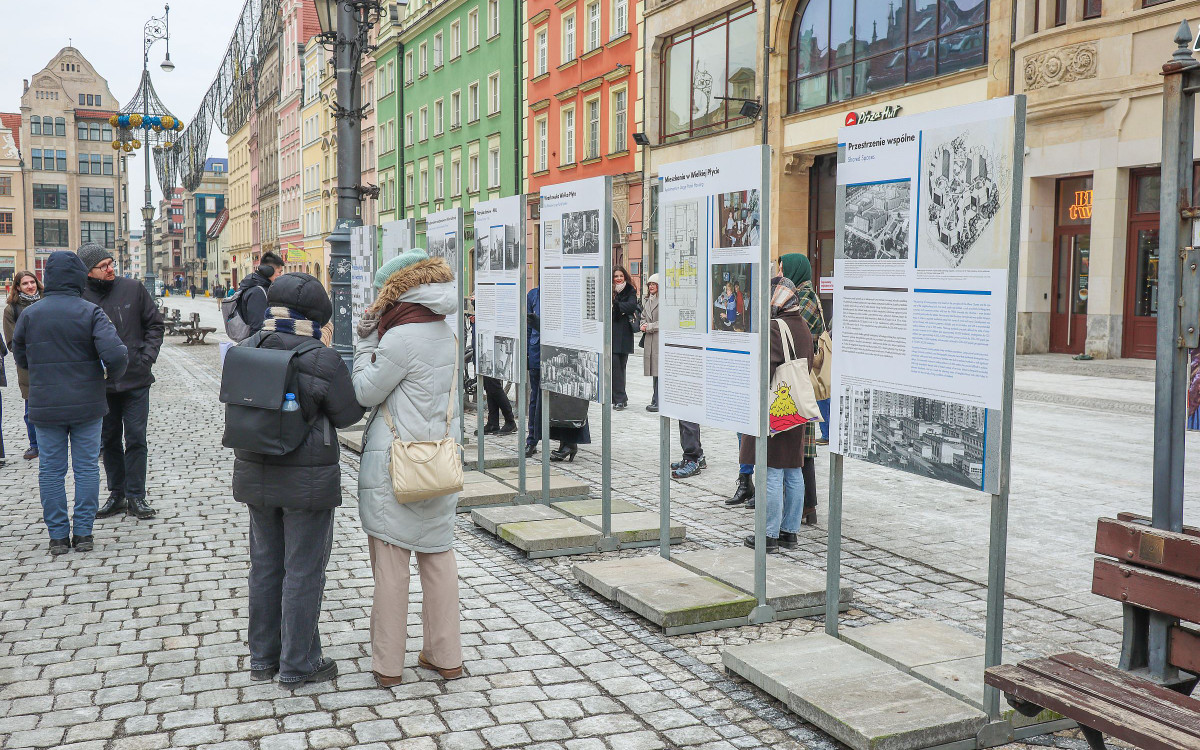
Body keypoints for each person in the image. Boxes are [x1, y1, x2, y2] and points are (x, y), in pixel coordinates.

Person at [229, 272, 364, 688]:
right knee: (304, 570)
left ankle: (262, 659)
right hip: (307, 480)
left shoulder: (246, 349)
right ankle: (299, 663)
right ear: (315, 315)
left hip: (255, 470)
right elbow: (348, 414)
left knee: (265, 566)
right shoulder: (321, 356)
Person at [352, 250, 464, 687]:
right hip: (437, 462)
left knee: (392, 568)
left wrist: (364, 344)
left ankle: (388, 666)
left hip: (395, 467)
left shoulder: (399, 338)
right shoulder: (446, 332)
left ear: (396, 290)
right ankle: (446, 656)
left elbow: (364, 391)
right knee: (438, 561)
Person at [12, 251, 128, 555]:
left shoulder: (30, 314)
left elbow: (21, 356)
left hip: (46, 403)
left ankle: (58, 537)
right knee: (87, 468)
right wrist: (107, 379)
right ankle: (84, 534)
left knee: (50, 470)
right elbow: (116, 354)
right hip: (87, 403)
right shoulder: (89, 312)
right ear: (78, 277)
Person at [80, 243, 166, 521]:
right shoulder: (80, 296)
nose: (110, 269)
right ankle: (117, 494)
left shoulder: (132, 288)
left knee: (136, 438)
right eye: (103, 266)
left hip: (136, 379)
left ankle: (136, 495)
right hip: (101, 384)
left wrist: (146, 358)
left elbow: (155, 325)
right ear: (88, 271)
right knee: (109, 440)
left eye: (111, 263)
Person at [737, 274, 814, 553]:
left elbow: (765, 373)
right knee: (793, 470)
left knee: (770, 471)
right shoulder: (802, 325)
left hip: (774, 407)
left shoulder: (774, 327)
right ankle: (789, 533)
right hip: (795, 406)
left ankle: (768, 535)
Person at [780, 253, 824, 525]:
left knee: (802, 448)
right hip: (797, 375)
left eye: (784, 269)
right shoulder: (801, 294)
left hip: (799, 377)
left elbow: (794, 329)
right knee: (802, 446)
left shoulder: (805, 298)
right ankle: (808, 506)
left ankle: (807, 506)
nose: (782, 274)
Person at [526, 287, 592, 461]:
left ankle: (568, 443)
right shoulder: (534, 295)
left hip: (558, 355)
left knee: (563, 399)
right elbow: (527, 328)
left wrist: (539, 324)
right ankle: (532, 440)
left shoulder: (568, 292)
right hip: (536, 353)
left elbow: (568, 326)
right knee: (535, 399)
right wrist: (526, 352)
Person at [4, 271, 43, 460]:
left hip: (53, 362)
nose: (30, 286)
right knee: (31, 409)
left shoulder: (47, 301)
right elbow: (12, 342)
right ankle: (35, 445)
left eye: (32, 282)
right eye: (25, 283)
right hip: (28, 365)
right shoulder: (12, 309)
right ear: (18, 287)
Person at [236, 251, 285, 336]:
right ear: (268, 271)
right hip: (259, 343)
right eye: (279, 272)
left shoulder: (261, 286)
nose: (281, 275)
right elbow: (258, 327)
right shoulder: (258, 292)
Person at [611, 266, 638, 410]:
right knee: (615, 366)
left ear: (625, 276)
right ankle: (620, 398)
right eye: (616, 276)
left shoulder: (630, 290)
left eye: (621, 275)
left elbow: (632, 306)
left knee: (621, 367)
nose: (619, 278)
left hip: (625, 335)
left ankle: (621, 397)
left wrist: (616, 306)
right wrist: (622, 308)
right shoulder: (608, 290)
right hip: (612, 335)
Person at [641, 274, 660, 412]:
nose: (651, 286)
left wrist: (649, 327)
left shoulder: (663, 300)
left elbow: (665, 321)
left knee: (659, 372)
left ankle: (659, 401)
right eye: (649, 284)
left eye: (654, 284)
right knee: (654, 371)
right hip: (650, 340)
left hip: (659, 339)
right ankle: (655, 399)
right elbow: (642, 316)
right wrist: (642, 325)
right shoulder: (647, 301)